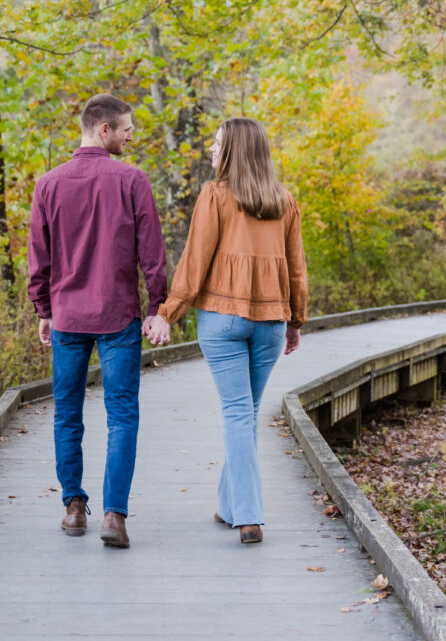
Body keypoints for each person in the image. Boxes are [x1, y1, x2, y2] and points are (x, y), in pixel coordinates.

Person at [147, 117, 308, 544]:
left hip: (223, 319)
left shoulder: (216, 195)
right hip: (271, 323)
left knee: (239, 414)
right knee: (246, 413)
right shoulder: (284, 201)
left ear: (235, 150)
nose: (211, 151)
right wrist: (295, 320)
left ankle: (249, 516)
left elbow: (195, 261)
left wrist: (168, 312)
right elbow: (297, 270)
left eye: (217, 144)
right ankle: (229, 504)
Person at [27, 93, 167, 549]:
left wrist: (44, 309)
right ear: (102, 129)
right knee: (121, 415)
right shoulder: (132, 180)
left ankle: (72, 508)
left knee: (67, 413)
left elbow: (39, 260)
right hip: (117, 315)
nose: (131, 136)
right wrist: (156, 306)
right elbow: (153, 255)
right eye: (126, 128)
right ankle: (113, 515)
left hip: (67, 316)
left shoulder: (48, 184)